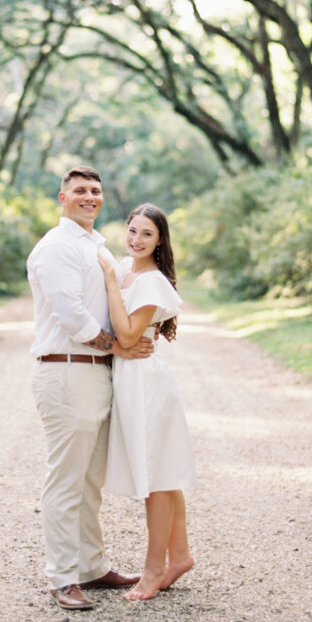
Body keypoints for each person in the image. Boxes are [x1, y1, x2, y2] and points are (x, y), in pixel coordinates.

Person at [27, 165, 152, 610]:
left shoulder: (96, 244)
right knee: (65, 480)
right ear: (62, 198)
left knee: (90, 481)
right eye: (79, 190)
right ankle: (62, 578)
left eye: (95, 191)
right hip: (65, 370)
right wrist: (119, 346)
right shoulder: (57, 246)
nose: (89, 196)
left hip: (96, 372)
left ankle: (92, 567)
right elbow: (72, 316)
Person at [98, 203, 195, 601]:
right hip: (132, 380)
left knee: (156, 480)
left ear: (160, 241)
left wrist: (109, 284)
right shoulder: (127, 269)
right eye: (132, 230)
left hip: (146, 385)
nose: (136, 240)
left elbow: (125, 335)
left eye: (146, 235)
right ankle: (180, 556)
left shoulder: (151, 281)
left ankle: (153, 571)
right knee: (163, 474)